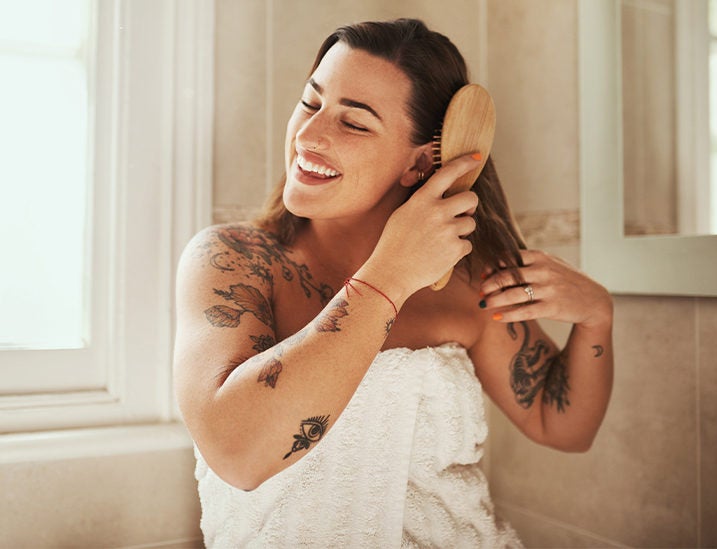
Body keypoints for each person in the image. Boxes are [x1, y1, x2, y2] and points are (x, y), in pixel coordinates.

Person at [173, 18, 613, 548]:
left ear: (418, 163)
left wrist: (596, 319)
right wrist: (389, 277)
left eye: (354, 124)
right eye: (311, 104)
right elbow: (238, 454)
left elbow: (560, 425)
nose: (308, 136)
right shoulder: (233, 261)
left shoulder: (466, 280)